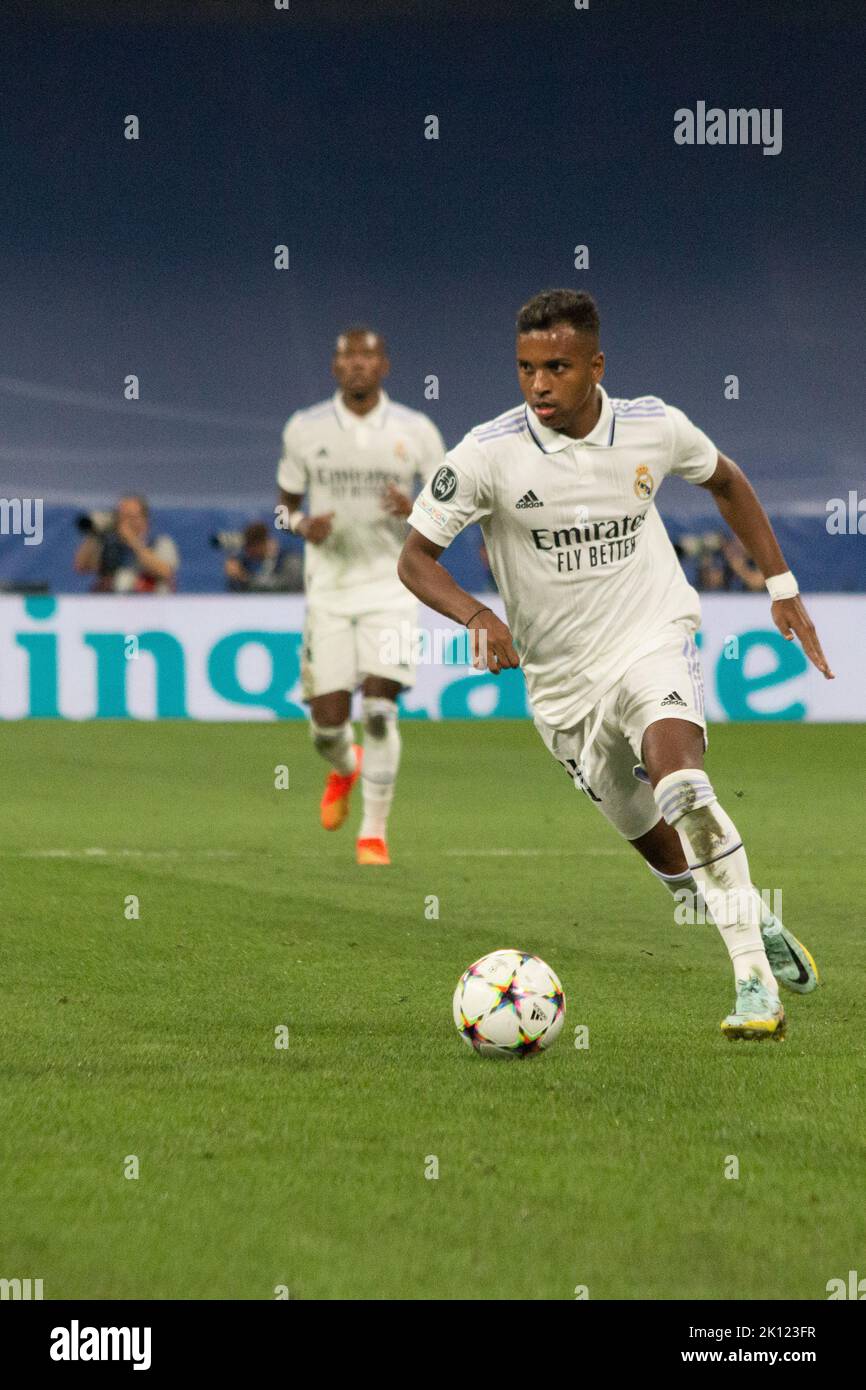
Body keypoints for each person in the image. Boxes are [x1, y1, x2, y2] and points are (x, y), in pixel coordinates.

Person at [399, 288, 833, 1040]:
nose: (539, 385)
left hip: (650, 638)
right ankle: (748, 913)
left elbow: (726, 480)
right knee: (662, 849)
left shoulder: (652, 428)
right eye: (526, 368)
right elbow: (413, 559)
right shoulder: (485, 455)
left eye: (558, 367)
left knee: (683, 782)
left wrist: (781, 585)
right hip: (562, 687)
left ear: (596, 366)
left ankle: (753, 986)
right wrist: (476, 614)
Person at [276, 326, 445, 865]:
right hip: (328, 591)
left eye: (366, 357)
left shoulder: (416, 430)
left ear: (384, 367)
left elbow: (449, 507)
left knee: (378, 710)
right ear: (335, 368)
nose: (356, 365)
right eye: (347, 357)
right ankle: (344, 764)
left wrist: (415, 507)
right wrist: (302, 525)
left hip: (393, 588)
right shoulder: (305, 429)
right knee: (327, 724)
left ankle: (374, 832)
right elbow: (283, 509)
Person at [74, 496, 179, 593]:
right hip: (113, 604)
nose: (125, 521)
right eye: (121, 516)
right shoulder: (111, 544)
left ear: (144, 519)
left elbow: (165, 572)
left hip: (150, 603)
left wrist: (132, 540)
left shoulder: (160, 542)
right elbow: (82, 566)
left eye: (130, 516)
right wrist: (93, 533)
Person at [223, 521, 303, 592]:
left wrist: (244, 578)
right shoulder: (247, 562)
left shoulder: (290, 561)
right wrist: (236, 578)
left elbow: (286, 586)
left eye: (252, 546)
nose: (248, 552)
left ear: (262, 544)